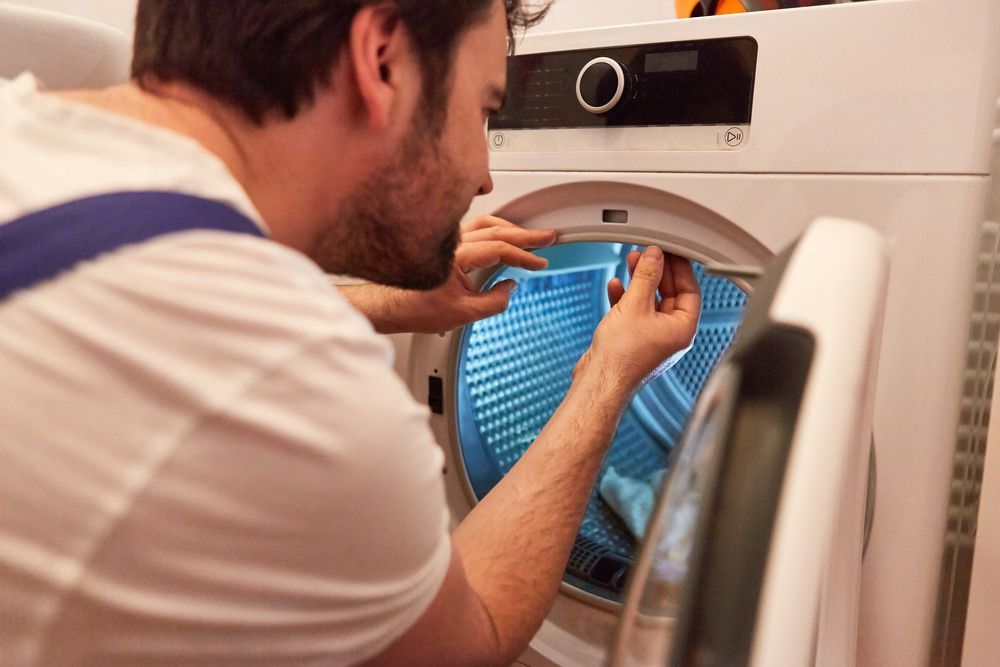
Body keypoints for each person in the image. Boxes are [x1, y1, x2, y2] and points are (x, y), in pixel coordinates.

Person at [0, 1, 701, 665]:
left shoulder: (27, 131)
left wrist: (387, 303)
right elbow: (470, 634)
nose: (485, 177)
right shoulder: (294, 379)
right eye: (485, 109)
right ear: (383, 60)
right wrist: (608, 373)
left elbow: (158, 311)